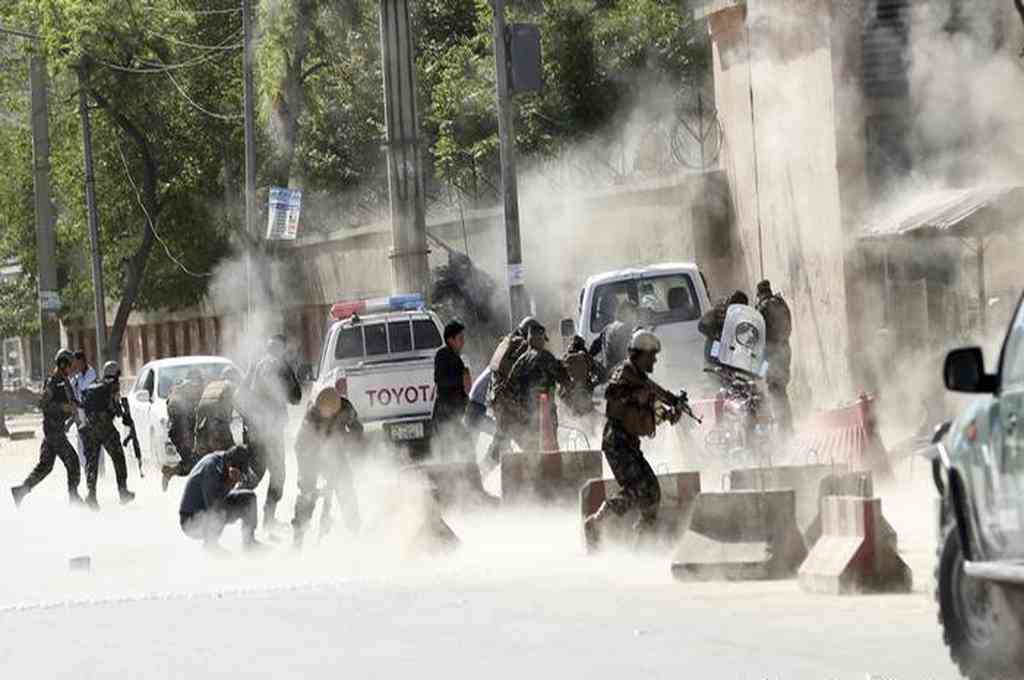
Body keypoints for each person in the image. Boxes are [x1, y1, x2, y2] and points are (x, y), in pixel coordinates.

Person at [583, 330, 686, 551]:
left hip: (628, 444)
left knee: (652, 494)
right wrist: (639, 397)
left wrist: (671, 409)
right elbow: (611, 394)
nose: (655, 360)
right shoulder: (624, 374)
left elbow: (654, 397)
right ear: (640, 355)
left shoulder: (639, 378)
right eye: (652, 356)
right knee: (637, 488)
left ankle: (641, 543)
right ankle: (596, 523)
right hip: (617, 443)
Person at [291, 385, 363, 548]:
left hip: (335, 450)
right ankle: (299, 536)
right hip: (309, 453)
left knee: (345, 485)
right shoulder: (312, 416)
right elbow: (304, 447)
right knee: (307, 493)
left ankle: (355, 528)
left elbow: (358, 429)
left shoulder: (345, 406)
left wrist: (347, 440)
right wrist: (311, 478)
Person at [10, 349, 83, 507]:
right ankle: (74, 498)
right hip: (53, 431)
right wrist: (62, 408)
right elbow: (42, 404)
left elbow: (72, 402)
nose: (72, 369)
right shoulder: (53, 382)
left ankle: (21, 491)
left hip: (55, 430)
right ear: (63, 364)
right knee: (73, 462)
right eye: (70, 366)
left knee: (45, 466)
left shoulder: (64, 381)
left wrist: (75, 407)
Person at [245, 334, 302, 530]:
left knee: (256, 473)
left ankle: (224, 508)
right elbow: (295, 397)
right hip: (270, 430)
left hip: (254, 429)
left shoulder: (256, 365)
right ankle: (267, 521)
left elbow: (242, 394)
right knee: (278, 474)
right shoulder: (277, 365)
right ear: (282, 349)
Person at [482, 317, 544, 474]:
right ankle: (536, 485)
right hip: (509, 404)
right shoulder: (521, 346)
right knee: (532, 445)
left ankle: (480, 476)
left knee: (501, 443)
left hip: (500, 402)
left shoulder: (507, 343)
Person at [179, 445, 263, 553]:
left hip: (209, 508)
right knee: (219, 512)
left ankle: (249, 542)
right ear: (230, 465)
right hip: (191, 519)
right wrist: (231, 482)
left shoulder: (227, 458)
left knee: (249, 499)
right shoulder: (211, 468)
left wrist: (245, 478)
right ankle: (211, 547)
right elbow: (213, 505)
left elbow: (252, 480)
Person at [79, 361, 135, 509]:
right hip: (104, 426)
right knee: (118, 458)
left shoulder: (96, 384)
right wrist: (125, 416)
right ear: (116, 373)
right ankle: (123, 492)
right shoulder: (112, 386)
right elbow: (116, 409)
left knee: (92, 463)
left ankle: (91, 496)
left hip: (89, 427)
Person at [506, 322, 570, 451]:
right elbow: (565, 380)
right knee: (550, 452)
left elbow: (510, 387)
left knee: (532, 453)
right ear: (539, 339)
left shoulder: (521, 361)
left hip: (526, 415)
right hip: (546, 413)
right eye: (542, 339)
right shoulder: (546, 357)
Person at [755, 279, 794, 435]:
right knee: (781, 387)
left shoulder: (762, 308)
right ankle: (787, 425)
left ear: (759, 293)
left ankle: (784, 428)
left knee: (773, 388)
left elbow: (757, 332)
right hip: (785, 349)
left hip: (771, 354)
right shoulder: (781, 302)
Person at [161, 367, 206, 491]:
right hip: (182, 431)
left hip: (178, 430)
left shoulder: (178, 388)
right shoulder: (191, 388)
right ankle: (170, 472)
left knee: (193, 463)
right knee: (193, 464)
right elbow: (188, 415)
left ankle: (171, 472)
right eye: (200, 382)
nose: (201, 385)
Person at [432, 320, 471, 459]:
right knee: (449, 453)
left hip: (454, 415)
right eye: (460, 338)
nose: (463, 342)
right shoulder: (442, 355)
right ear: (450, 340)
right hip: (445, 415)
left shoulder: (457, 358)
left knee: (464, 449)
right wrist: (461, 378)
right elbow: (440, 381)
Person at [194, 366, 243, 457]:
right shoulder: (231, 386)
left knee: (206, 457)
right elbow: (240, 407)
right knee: (231, 455)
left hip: (203, 428)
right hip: (219, 425)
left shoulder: (211, 385)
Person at [588, 300, 639, 376]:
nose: (636, 318)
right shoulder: (626, 329)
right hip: (621, 375)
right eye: (635, 314)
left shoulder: (608, 328)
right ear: (628, 314)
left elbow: (593, 350)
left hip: (607, 373)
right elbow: (626, 354)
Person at [698, 290, 749, 364]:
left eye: (743, 308)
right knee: (715, 354)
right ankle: (714, 364)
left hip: (732, 344)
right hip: (717, 340)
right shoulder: (721, 308)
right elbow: (702, 325)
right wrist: (716, 334)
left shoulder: (742, 313)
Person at [560, 335, 605, 417]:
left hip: (567, 398)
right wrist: (592, 384)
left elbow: (558, 378)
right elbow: (602, 375)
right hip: (584, 395)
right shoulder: (587, 358)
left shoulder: (565, 358)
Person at [70, 350, 97, 476]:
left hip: (91, 412)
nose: (76, 366)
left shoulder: (91, 374)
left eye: (77, 363)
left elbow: (82, 388)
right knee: (81, 442)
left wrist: (75, 379)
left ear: (82, 361)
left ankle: (96, 469)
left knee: (93, 442)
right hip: (81, 412)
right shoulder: (78, 376)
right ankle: (86, 468)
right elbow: (71, 389)